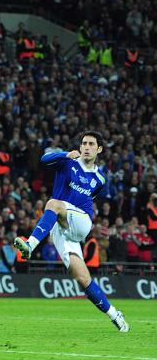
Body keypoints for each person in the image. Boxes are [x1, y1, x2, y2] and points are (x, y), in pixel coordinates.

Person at [14, 131, 129, 332]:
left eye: (91, 144)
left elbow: (89, 198)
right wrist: (65, 154)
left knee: (52, 203)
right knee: (83, 279)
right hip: (61, 227)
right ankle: (115, 315)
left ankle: (30, 245)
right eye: (84, 143)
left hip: (81, 221)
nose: (86, 147)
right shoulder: (68, 162)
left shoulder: (100, 178)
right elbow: (44, 159)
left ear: (99, 149)